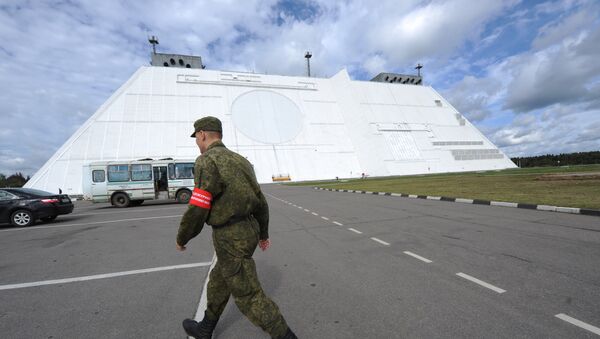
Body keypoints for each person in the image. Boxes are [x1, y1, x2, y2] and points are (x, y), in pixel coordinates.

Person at [176, 116, 297, 339]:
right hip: (248, 230)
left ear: (202, 134)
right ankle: (205, 328)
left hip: (230, 236)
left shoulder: (206, 161)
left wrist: (183, 236)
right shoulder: (242, 161)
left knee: (249, 294)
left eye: (197, 138)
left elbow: (199, 206)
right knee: (219, 279)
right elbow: (260, 201)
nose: (197, 142)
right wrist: (263, 233)